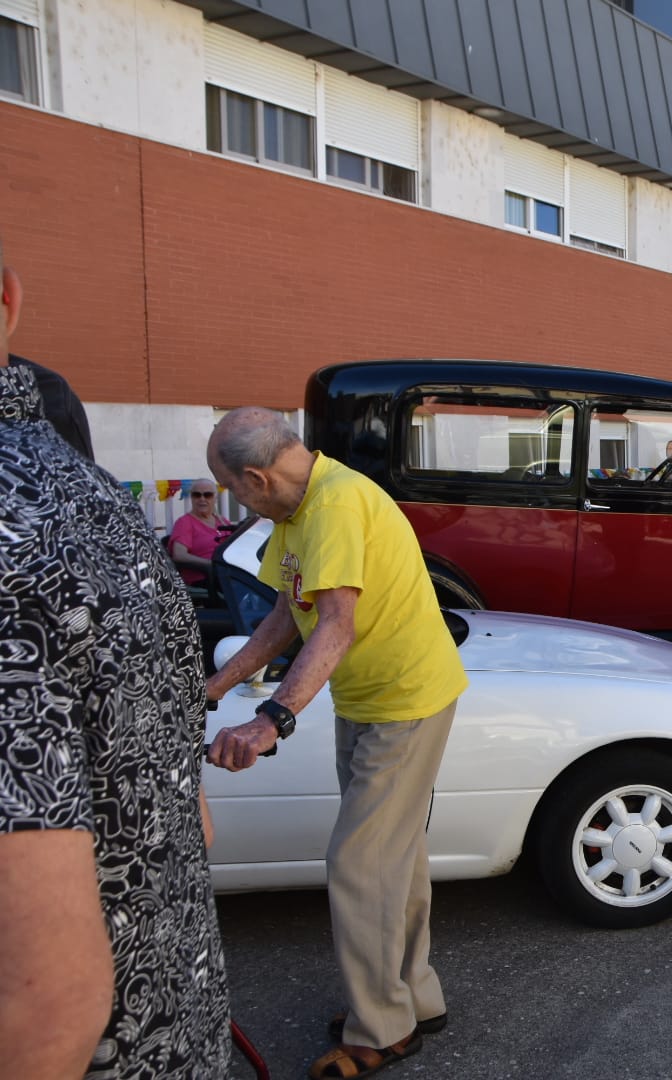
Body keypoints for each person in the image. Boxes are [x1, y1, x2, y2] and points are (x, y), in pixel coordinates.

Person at [0, 244, 231, 1076]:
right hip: (176, 1035)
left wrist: (270, 703)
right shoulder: (102, 505)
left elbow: (43, 1002)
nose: (207, 505)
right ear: (11, 299)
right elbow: (190, 817)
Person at [203, 407, 468, 1080]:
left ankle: (382, 1026)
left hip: (405, 701)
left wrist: (271, 720)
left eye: (234, 489)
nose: (238, 502)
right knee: (393, 858)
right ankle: (412, 999)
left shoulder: (337, 506)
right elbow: (285, 618)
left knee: (358, 864)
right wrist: (211, 689)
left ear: (256, 476)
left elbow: (335, 628)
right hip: (371, 698)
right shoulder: (296, 513)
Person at [169, 478, 234, 587]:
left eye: (207, 495)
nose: (202, 499)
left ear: (215, 498)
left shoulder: (223, 521)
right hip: (204, 578)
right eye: (197, 495)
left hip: (227, 575)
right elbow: (179, 555)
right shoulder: (185, 522)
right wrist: (211, 564)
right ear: (191, 497)